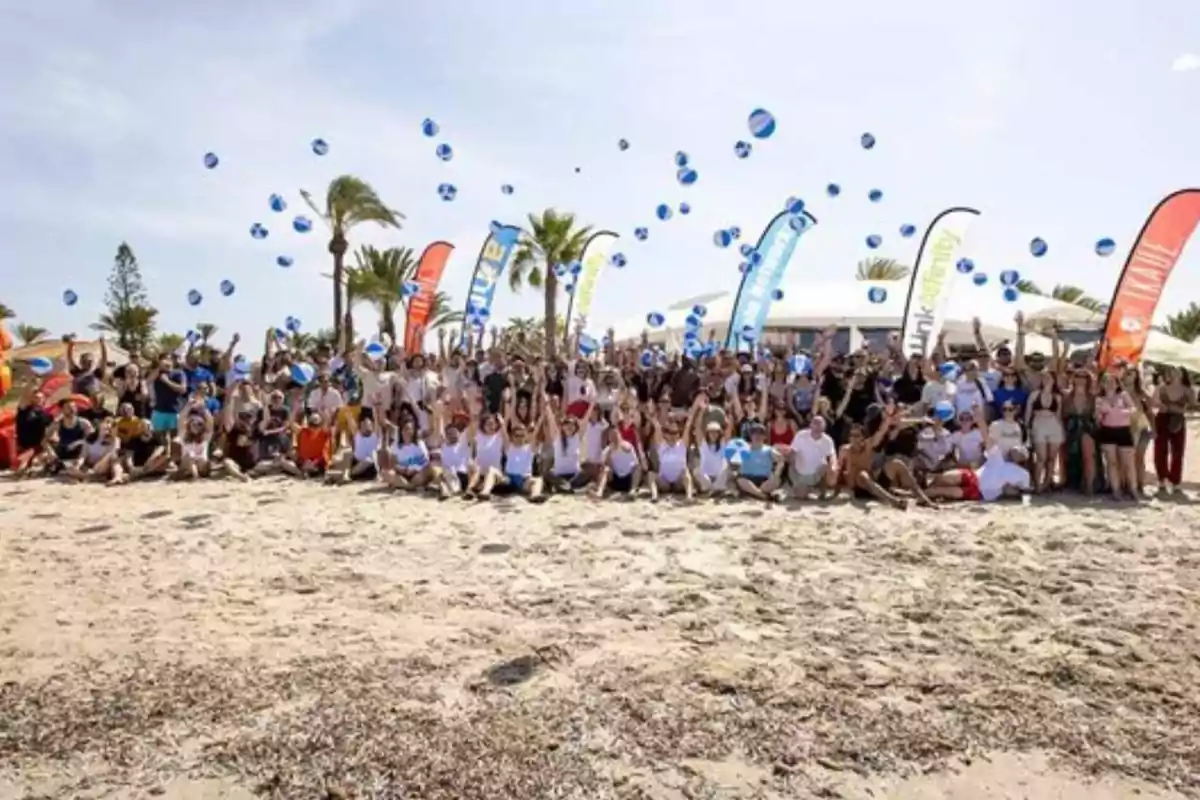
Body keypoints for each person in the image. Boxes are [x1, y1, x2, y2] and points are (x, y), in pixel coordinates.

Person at [1153, 366, 1192, 494]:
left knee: (1178, 451)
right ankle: (1162, 477)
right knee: (1160, 449)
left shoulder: (1188, 390)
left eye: (1178, 370)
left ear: (1183, 373)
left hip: (1178, 420)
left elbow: (1192, 404)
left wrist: (1184, 404)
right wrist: (1160, 405)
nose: (1175, 372)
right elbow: (1154, 402)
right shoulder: (1162, 387)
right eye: (1173, 370)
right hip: (1162, 419)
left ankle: (1175, 480)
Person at [784, 415, 837, 500]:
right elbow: (792, 453)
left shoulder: (828, 440)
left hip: (817, 473)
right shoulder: (801, 435)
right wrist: (794, 471)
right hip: (800, 472)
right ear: (810, 425)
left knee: (826, 466)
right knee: (801, 496)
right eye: (815, 423)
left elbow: (832, 455)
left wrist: (832, 468)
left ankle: (823, 492)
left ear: (824, 426)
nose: (817, 426)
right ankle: (810, 489)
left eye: (820, 424)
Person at [734, 422, 784, 501]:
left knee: (776, 481)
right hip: (747, 478)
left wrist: (776, 474)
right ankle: (763, 496)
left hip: (763, 480)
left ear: (764, 437)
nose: (758, 436)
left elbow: (781, 459)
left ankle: (754, 494)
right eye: (755, 434)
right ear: (751, 436)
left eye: (761, 434)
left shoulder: (769, 449)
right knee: (740, 480)